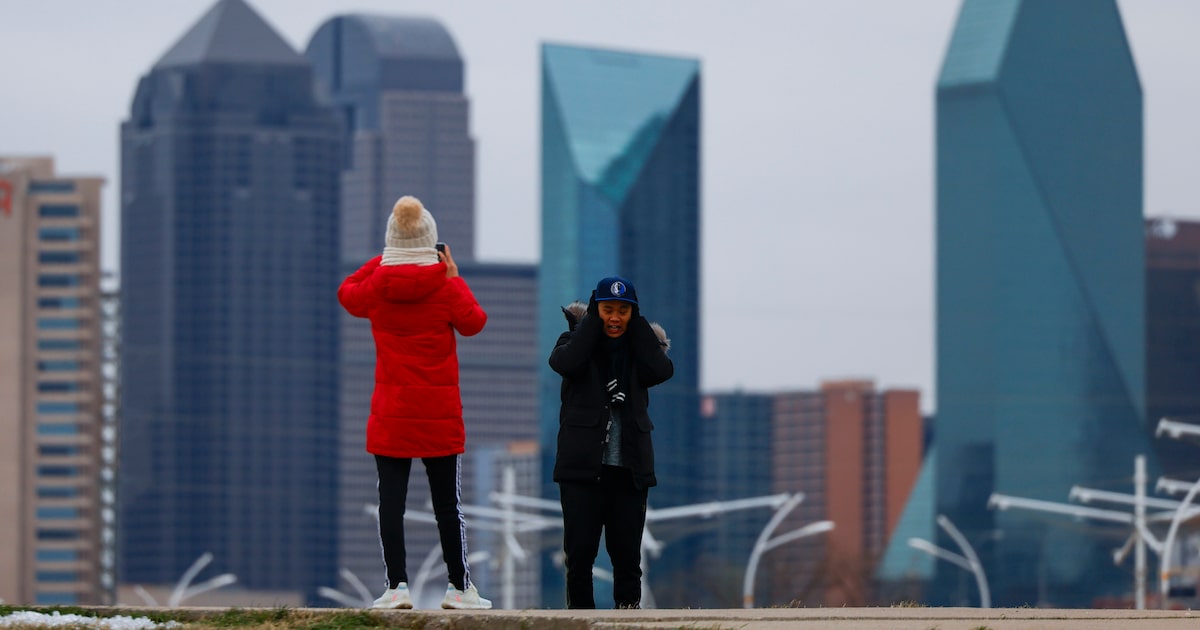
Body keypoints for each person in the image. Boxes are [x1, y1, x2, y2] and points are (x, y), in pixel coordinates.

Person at [338, 195, 492, 610]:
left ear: (392, 244)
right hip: (439, 418)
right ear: (432, 244)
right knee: (447, 506)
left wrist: (386, 259)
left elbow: (346, 292)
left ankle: (396, 588)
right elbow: (475, 323)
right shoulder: (443, 286)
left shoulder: (376, 290)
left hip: (391, 416)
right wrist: (453, 275)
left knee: (391, 504)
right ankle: (459, 589)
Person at [549, 276, 674, 609]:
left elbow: (662, 370)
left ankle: (629, 617)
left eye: (623, 311)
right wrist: (589, 322)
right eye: (608, 310)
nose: (615, 318)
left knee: (628, 560)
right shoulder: (573, 341)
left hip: (628, 471)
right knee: (579, 557)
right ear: (595, 310)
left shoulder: (639, 352)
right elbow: (565, 362)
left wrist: (639, 327)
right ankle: (580, 620)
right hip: (582, 472)